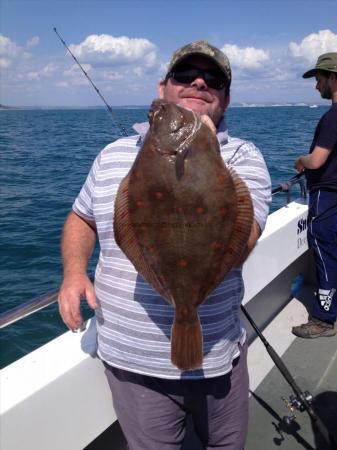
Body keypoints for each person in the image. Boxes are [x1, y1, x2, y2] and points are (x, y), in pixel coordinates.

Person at [58, 40, 271, 450]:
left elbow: (244, 240)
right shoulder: (112, 156)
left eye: (213, 79)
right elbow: (82, 217)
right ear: (162, 88)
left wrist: (205, 152)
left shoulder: (243, 156)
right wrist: (72, 272)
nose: (198, 82)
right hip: (129, 361)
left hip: (216, 357)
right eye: (185, 74)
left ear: (225, 99)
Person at [292, 52, 337, 339]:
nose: (315, 86)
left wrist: (301, 160)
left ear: (333, 78)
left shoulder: (333, 116)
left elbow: (318, 160)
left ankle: (323, 319)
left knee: (324, 250)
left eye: (319, 79)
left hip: (327, 196)